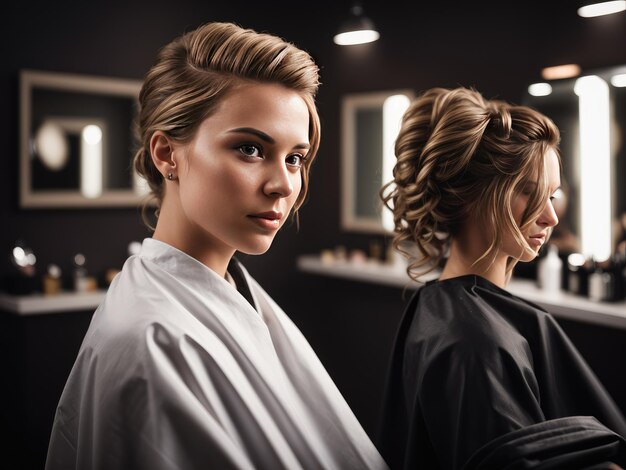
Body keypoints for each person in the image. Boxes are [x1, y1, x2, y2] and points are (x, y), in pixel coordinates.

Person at [45, 21, 388, 470]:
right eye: (250, 149)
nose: (283, 184)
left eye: (295, 158)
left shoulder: (235, 292)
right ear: (166, 154)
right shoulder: (153, 343)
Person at [377, 86, 626, 469]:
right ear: (468, 196)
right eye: (529, 192)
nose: (551, 217)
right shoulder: (475, 343)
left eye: (552, 195)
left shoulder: (437, 307)